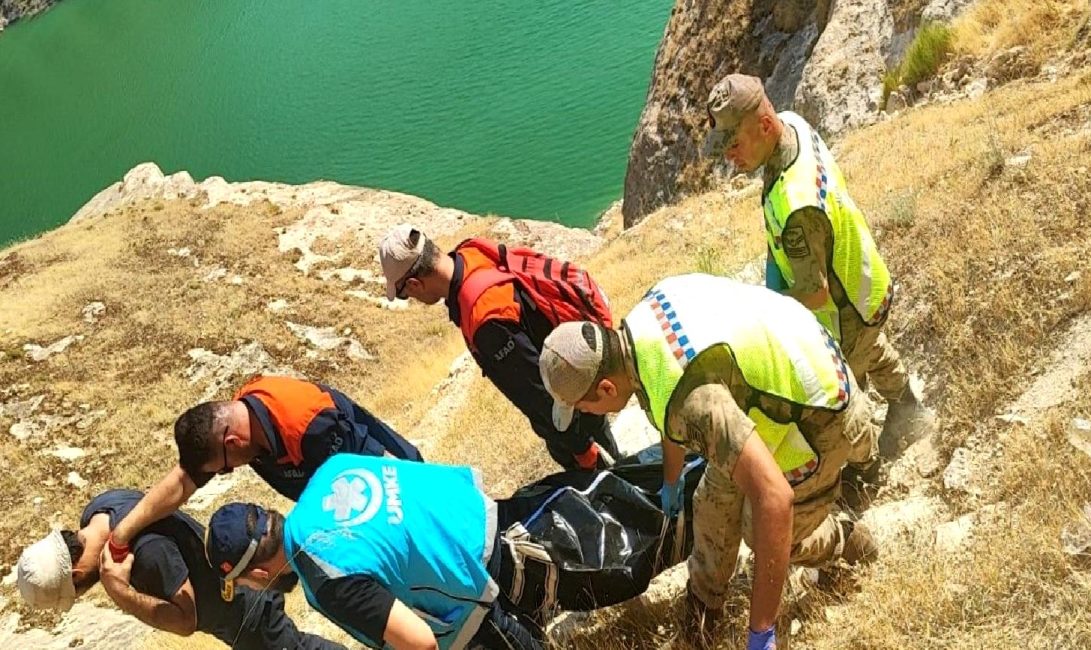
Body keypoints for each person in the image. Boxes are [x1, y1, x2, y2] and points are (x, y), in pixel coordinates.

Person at [538, 274, 879, 649]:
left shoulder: (691, 400)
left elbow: (775, 498)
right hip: (777, 371)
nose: (587, 414)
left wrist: (761, 631)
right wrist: (672, 481)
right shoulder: (642, 326)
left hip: (816, 410)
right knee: (711, 504)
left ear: (606, 388)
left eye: (584, 406)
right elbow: (666, 397)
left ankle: (844, 538)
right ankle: (703, 613)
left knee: (769, 533)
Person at [702, 73, 933, 459]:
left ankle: (867, 462)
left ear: (764, 124)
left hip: (844, 312)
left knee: (845, 397)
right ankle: (908, 405)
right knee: (874, 348)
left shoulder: (797, 208)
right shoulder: (792, 123)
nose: (729, 156)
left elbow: (815, 291)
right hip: (862, 277)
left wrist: (764, 304)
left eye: (735, 143)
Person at [205, 453, 543, 650]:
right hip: (486, 524)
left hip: (472, 595)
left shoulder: (325, 580)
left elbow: (421, 643)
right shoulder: (330, 471)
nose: (252, 590)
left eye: (244, 583)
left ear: (259, 573)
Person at [378, 224, 620, 471]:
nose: (410, 299)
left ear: (415, 284)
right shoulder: (471, 252)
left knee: (611, 486)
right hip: (583, 369)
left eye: (403, 294)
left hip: (573, 414)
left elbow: (538, 394)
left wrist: (581, 448)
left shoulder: (485, 321)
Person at [106, 375, 422, 562]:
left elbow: (388, 473)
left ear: (232, 441)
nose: (226, 474)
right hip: (359, 514)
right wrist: (121, 536)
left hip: (400, 500)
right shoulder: (238, 425)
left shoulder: (308, 426)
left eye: (224, 469)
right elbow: (180, 483)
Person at [16, 488, 342, 649]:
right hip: (237, 611)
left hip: (248, 614)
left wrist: (120, 593)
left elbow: (186, 619)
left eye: (78, 590)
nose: (87, 591)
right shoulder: (100, 508)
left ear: (74, 577)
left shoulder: (147, 552)